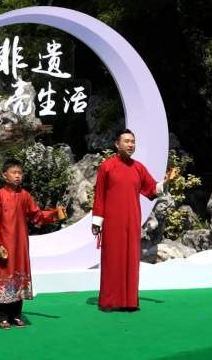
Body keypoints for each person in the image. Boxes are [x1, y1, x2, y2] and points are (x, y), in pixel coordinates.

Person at [91, 129, 177, 312]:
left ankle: (129, 302)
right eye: (127, 141)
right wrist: (97, 221)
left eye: (133, 141)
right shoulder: (107, 166)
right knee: (112, 260)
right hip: (112, 222)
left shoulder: (138, 168)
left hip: (132, 221)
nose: (130, 145)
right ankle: (108, 301)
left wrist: (166, 182)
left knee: (131, 260)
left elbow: (152, 189)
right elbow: (99, 195)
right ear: (117, 144)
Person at [0, 159, 65, 329]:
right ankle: (2, 317)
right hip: (4, 244)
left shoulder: (25, 195)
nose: (17, 176)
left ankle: (16, 315)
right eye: (13, 172)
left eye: (20, 173)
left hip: (21, 244)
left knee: (20, 275)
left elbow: (37, 216)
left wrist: (55, 214)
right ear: (4, 175)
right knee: (4, 275)